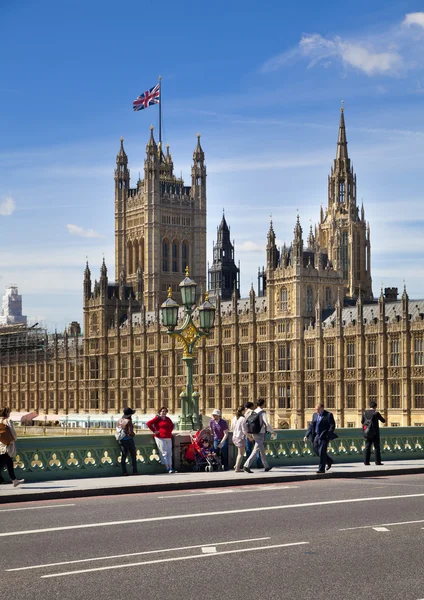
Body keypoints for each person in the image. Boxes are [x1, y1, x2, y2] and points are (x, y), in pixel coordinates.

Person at [304, 403, 337, 474]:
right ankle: (329, 460)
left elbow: (332, 425)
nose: (317, 411)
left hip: (324, 436)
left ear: (322, 408)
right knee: (315, 450)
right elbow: (311, 425)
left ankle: (321, 469)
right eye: (316, 409)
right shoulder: (315, 415)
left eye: (318, 409)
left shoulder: (328, 415)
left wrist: (328, 434)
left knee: (322, 452)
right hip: (316, 435)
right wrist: (306, 435)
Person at [243, 399, 273, 473]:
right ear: (263, 404)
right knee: (256, 450)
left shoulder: (254, 411)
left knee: (261, 449)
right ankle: (246, 465)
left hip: (254, 432)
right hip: (260, 432)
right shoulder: (262, 412)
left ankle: (266, 466)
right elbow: (266, 423)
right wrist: (272, 431)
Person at [0, 407, 24, 487]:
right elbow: (13, 433)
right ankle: (14, 480)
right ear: (6, 413)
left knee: (8, 463)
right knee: (7, 463)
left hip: (0, 445)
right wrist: (15, 438)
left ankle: (14, 480)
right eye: (9, 412)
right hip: (7, 445)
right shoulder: (8, 421)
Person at [147, 407, 176, 473]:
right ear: (160, 412)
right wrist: (154, 431)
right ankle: (167, 468)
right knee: (164, 453)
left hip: (168, 437)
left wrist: (169, 432)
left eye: (165, 411)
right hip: (160, 437)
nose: (164, 412)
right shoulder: (157, 418)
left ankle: (171, 467)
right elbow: (148, 423)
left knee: (169, 453)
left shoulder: (168, 419)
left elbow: (172, 425)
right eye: (162, 411)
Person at [362, 401, 385, 466]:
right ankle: (377, 462)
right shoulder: (376, 413)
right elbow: (383, 420)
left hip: (367, 432)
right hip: (375, 432)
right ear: (375, 407)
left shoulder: (364, 413)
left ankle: (366, 462)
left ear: (369, 406)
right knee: (376, 447)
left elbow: (362, 421)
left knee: (367, 446)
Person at [117, 407, 138, 476]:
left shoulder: (119, 420)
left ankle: (124, 472)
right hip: (128, 440)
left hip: (121, 440)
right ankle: (135, 471)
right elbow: (131, 432)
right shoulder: (128, 421)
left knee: (123, 456)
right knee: (133, 456)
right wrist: (133, 434)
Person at [231, 405, 248, 472]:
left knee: (240, 452)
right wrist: (249, 436)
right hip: (240, 437)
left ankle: (236, 465)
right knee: (240, 454)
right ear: (243, 411)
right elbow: (244, 430)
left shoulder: (234, 418)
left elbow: (232, 427)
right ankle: (237, 468)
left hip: (234, 437)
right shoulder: (243, 419)